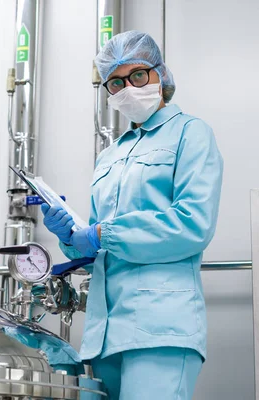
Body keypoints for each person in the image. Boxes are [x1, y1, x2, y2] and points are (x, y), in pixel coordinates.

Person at [41, 31, 223, 399]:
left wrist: (101, 234)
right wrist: (70, 236)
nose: (129, 87)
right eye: (116, 82)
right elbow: (96, 250)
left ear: (161, 75)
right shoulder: (109, 156)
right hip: (105, 334)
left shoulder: (191, 134)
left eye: (138, 75)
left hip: (161, 328)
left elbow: (191, 225)